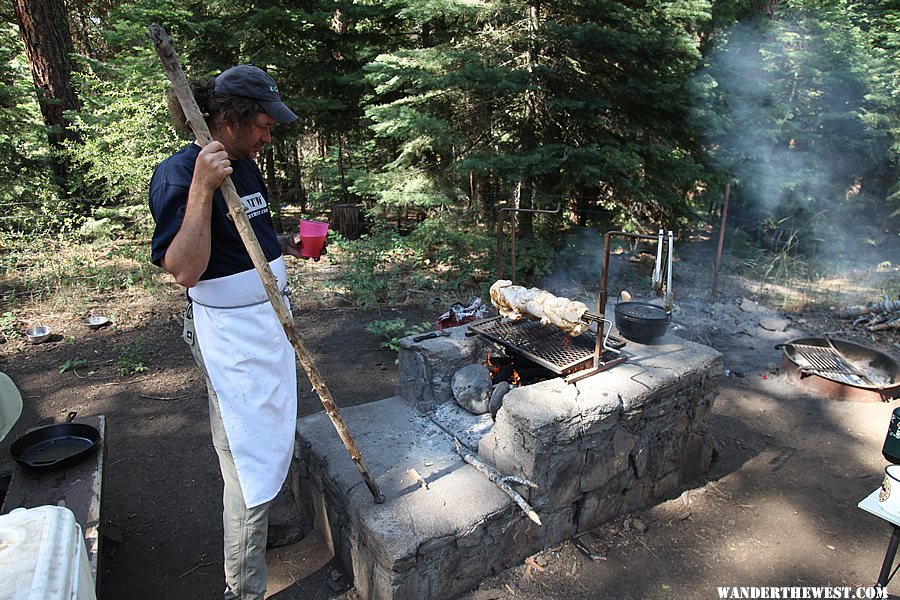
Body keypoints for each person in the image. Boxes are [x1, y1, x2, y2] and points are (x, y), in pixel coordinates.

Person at [148, 64, 316, 600]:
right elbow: (185, 269)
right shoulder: (180, 174)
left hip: (268, 324)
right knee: (246, 452)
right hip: (232, 337)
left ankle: (259, 532)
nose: (269, 137)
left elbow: (249, 237)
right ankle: (242, 587)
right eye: (263, 125)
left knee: (272, 436)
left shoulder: (244, 164)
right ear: (228, 119)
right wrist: (202, 187)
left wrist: (285, 246)